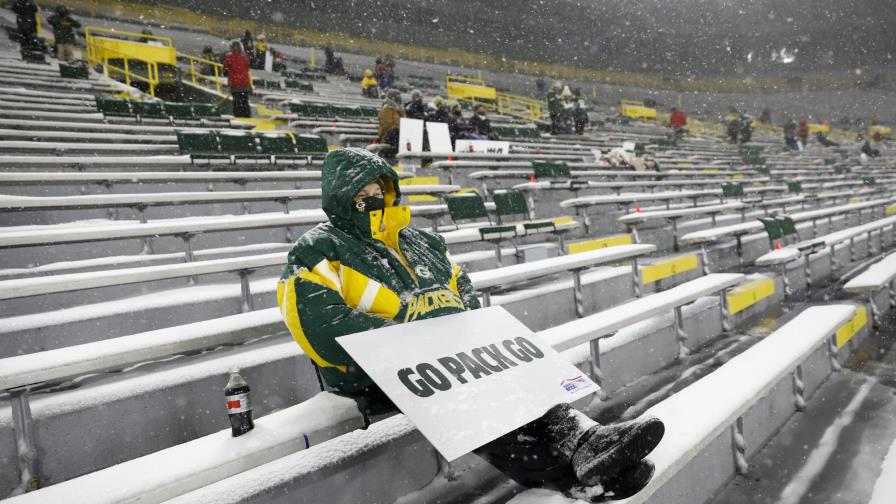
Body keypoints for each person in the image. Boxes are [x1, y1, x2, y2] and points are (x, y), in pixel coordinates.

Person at [277, 148, 665, 501]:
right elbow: (322, 331)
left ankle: (586, 440)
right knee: (470, 393)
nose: (371, 197)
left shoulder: (420, 241)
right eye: (360, 191)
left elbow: (463, 290)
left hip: (447, 357)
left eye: (377, 188)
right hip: (373, 375)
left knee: (508, 369)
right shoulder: (316, 249)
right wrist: (413, 340)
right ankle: (572, 474)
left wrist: (452, 335)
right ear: (341, 196)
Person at [222, 41, 252, 118]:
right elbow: (247, 67)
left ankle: (238, 117)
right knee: (245, 101)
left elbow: (225, 70)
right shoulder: (245, 57)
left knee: (236, 102)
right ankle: (247, 117)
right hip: (245, 83)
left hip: (235, 83)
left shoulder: (228, 57)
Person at [378, 88, 404, 159]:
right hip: (389, 138)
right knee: (396, 133)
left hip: (398, 138)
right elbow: (387, 127)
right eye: (397, 98)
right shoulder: (386, 110)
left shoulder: (398, 111)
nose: (399, 100)